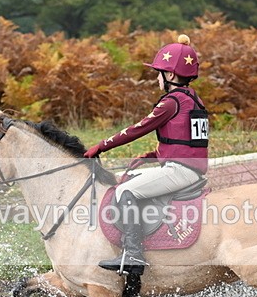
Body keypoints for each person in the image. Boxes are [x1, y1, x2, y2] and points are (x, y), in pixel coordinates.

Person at [84, 34, 209, 275]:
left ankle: (132, 254)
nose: (156, 78)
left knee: (124, 190)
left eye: (159, 73)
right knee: (131, 179)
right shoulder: (194, 99)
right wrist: (153, 154)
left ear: (170, 75)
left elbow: (137, 129)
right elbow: (187, 142)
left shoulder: (170, 102)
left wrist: (100, 146)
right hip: (189, 169)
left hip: (180, 172)